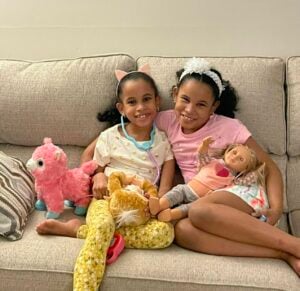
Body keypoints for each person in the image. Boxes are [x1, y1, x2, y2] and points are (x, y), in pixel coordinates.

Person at [80, 57, 300, 276]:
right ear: (175, 94)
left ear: (214, 106)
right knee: (182, 231)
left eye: (201, 104)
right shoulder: (164, 120)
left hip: (241, 194)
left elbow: (270, 167)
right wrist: (95, 172)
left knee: (198, 209)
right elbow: (106, 140)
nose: (190, 110)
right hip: (201, 201)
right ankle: (281, 253)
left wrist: (276, 208)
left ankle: (293, 244)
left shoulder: (230, 127)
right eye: (185, 99)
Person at [36, 65, 176, 289]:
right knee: (102, 227)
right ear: (121, 108)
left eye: (146, 99)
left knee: (165, 234)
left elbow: (165, 186)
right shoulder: (110, 137)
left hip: (139, 206)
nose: (140, 107)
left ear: (157, 102)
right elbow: (92, 167)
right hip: (106, 199)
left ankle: (76, 230)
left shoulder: (163, 142)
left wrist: (157, 203)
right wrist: (98, 177)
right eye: (132, 102)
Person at [149, 136, 267, 222]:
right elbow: (202, 156)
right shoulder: (212, 161)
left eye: (241, 159)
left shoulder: (234, 179)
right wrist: (204, 146)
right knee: (177, 191)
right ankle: (159, 206)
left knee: (188, 209)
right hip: (189, 188)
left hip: (201, 199)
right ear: (227, 151)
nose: (234, 157)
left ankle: (170, 215)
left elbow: (249, 179)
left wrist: (258, 169)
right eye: (234, 152)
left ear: (244, 169)